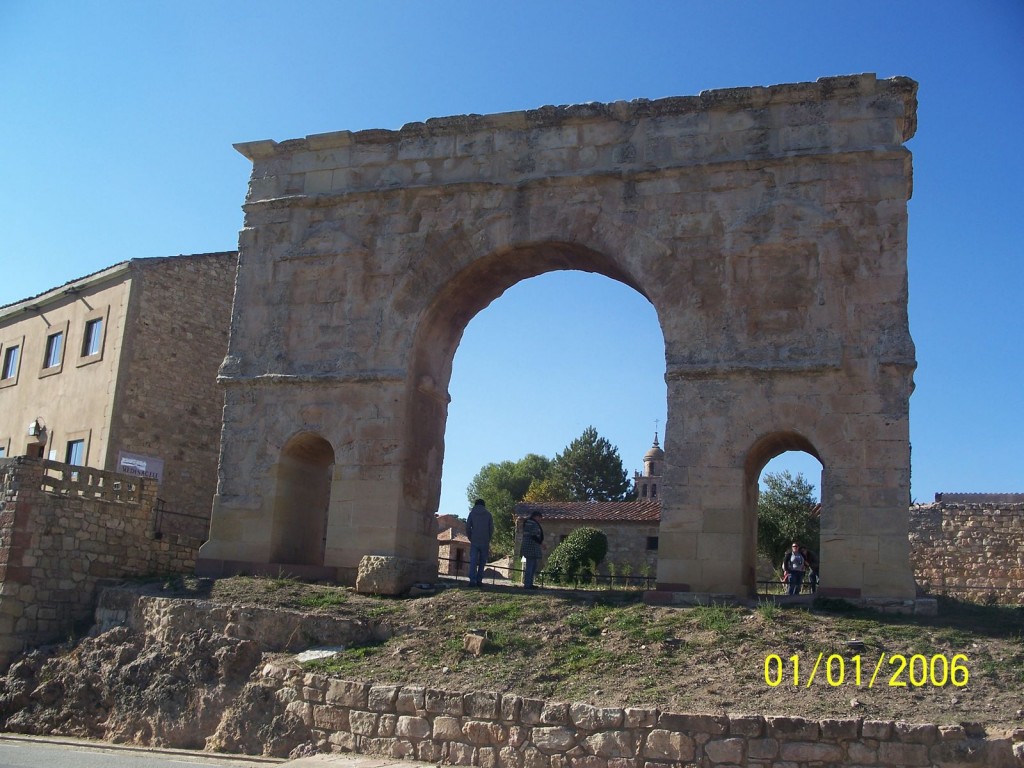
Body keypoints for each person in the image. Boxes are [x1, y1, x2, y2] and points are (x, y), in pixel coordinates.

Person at [465, 498, 493, 587]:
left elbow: (468, 527)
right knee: (482, 561)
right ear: (484, 505)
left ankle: (472, 580)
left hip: (474, 539)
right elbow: (491, 528)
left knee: (473, 560)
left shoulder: (472, 514)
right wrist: (488, 537)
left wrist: (470, 537)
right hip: (485, 540)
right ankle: (479, 580)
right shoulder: (488, 514)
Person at [521, 510, 544, 589]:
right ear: (536, 516)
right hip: (530, 547)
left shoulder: (531, 522)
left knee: (533, 566)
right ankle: (527, 584)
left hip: (533, 547)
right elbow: (533, 535)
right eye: (539, 518)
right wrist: (541, 543)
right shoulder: (531, 523)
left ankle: (530, 583)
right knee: (530, 566)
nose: (540, 520)